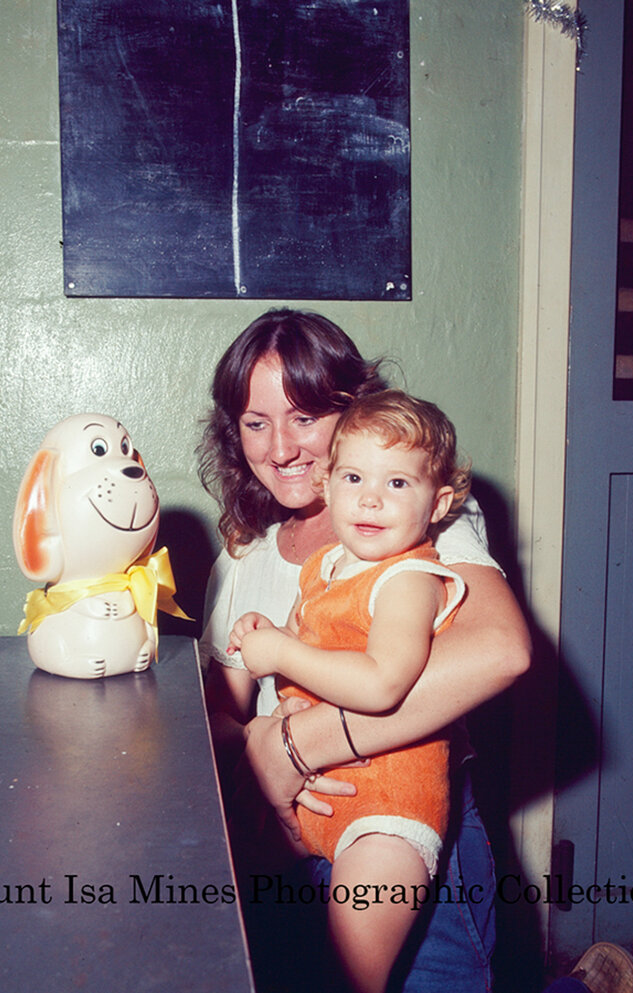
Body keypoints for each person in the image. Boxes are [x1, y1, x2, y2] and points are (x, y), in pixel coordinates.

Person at [199, 308, 532, 993]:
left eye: (304, 417)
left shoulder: (412, 513)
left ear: (352, 410)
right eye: (256, 423)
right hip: (296, 834)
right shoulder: (242, 557)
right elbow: (219, 715)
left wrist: (295, 743)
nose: (280, 448)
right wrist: (254, 744)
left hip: (406, 825)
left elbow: (501, 650)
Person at [226, 390, 472, 993]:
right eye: (355, 477)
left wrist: (283, 654)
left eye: (397, 483)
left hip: (386, 817)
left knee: (350, 978)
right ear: (328, 484)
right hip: (319, 803)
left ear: (439, 503)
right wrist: (273, 633)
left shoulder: (410, 577)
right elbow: (320, 644)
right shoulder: (328, 566)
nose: (370, 498)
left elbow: (383, 681)